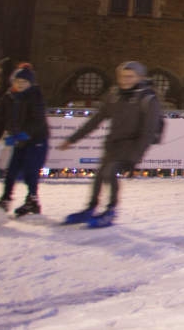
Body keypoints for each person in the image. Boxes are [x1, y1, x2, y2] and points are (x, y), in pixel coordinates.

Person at [58, 62, 164, 228]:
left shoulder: (148, 99)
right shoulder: (114, 95)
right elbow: (96, 120)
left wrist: (135, 158)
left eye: (130, 76)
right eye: (122, 76)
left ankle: (111, 210)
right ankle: (91, 207)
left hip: (132, 145)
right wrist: (73, 139)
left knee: (110, 172)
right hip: (113, 143)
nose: (125, 80)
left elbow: (148, 132)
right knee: (100, 175)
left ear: (140, 78)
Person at [0, 64, 47, 216]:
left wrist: (24, 133)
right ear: (12, 81)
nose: (20, 84)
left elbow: (38, 120)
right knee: (12, 171)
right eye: (18, 81)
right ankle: (5, 198)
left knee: (30, 170)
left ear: (30, 84)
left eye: (24, 82)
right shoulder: (8, 97)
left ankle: (32, 200)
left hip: (36, 140)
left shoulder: (35, 95)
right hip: (18, 140)